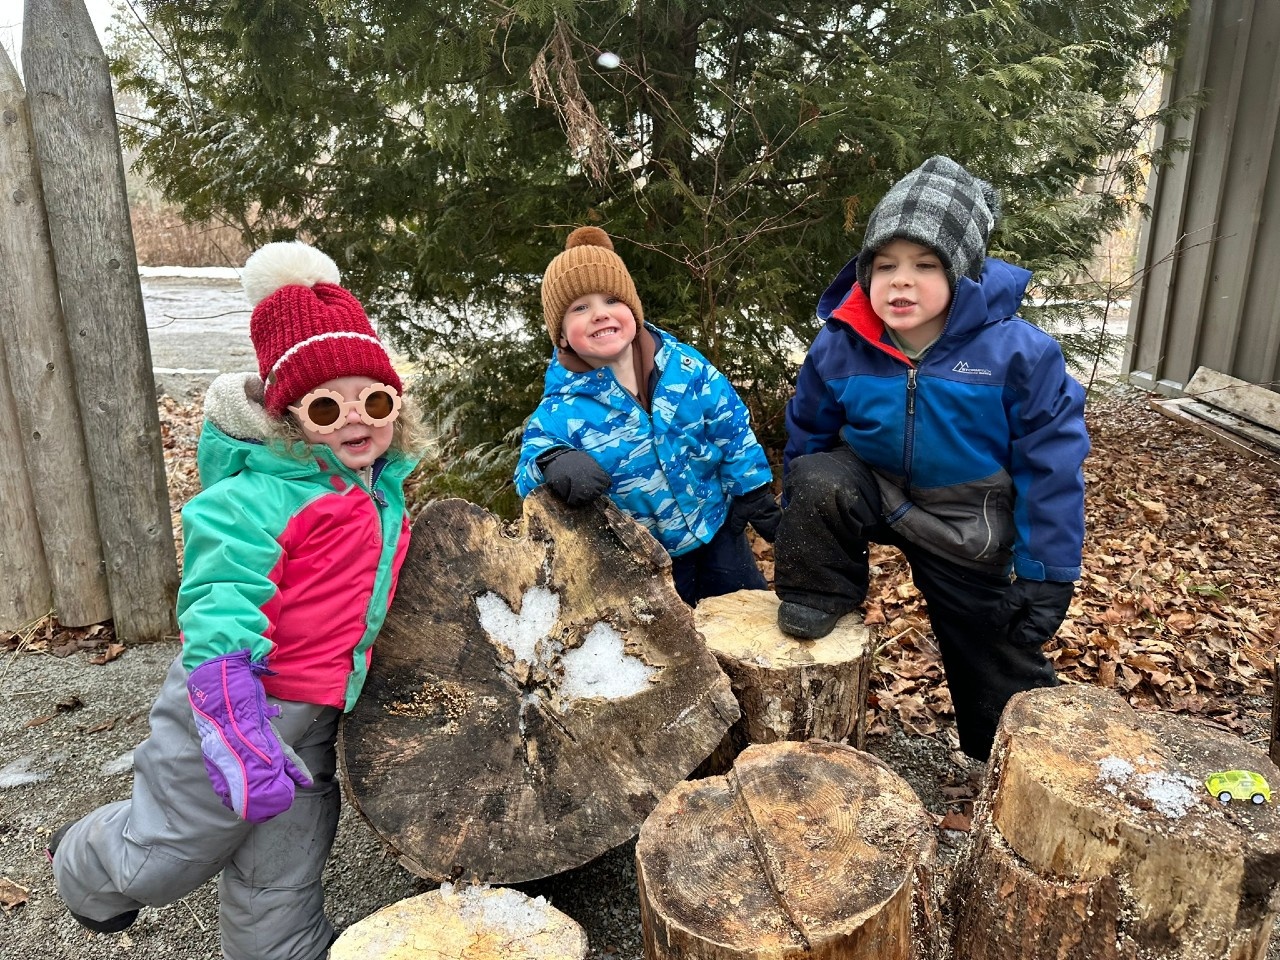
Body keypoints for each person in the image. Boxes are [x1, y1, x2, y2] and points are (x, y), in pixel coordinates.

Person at [48, 241, 425, 960]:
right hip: (233, 706)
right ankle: (85, 861)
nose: (355, 419)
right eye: (326, 404)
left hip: (313, 717)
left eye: (373, 400)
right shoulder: (253, 499)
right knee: (167, 855)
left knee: (283, 863)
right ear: (288, 415)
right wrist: (229, 706)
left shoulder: (382, 493)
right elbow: (221, 592)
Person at [773, 156, 1089, 760]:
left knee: (994, 646)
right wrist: (795, 518)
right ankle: (819, 592)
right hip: (878, 490)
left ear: (962, 273)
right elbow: (809, 433)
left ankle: (1008, 756)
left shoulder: (1018, 353)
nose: (900, 282)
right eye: (884, 265)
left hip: (966, 524)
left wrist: (1048, 571)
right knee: (819, 477)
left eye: (925, 265)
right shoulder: (842, 343)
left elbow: (1053, 465)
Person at [514, 226, 780, 606]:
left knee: (749, 623)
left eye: (610, 300)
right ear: (560, 335)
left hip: (719, 530)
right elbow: (528, 472)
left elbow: (731, 428)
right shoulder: (561, 409)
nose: (600, 314)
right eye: (580, 307)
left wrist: (753, 493)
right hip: (647, 564)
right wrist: (553, 460)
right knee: (679, 654)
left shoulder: (685, 368)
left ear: (633, 310)